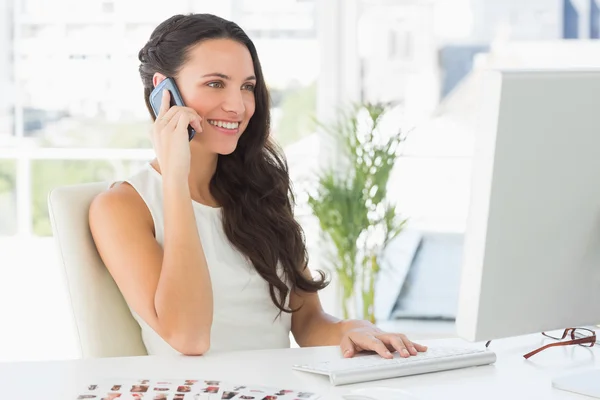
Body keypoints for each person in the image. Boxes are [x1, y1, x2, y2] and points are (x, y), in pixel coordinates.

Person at [89, 13, 427, 358]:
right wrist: (175, 179)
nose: (238, 106)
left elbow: (308, 322)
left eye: (247, 87)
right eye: (215, 84)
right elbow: (189, 337)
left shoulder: (258, 189)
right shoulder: (121, 207)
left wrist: (351, 329)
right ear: (165, 91)